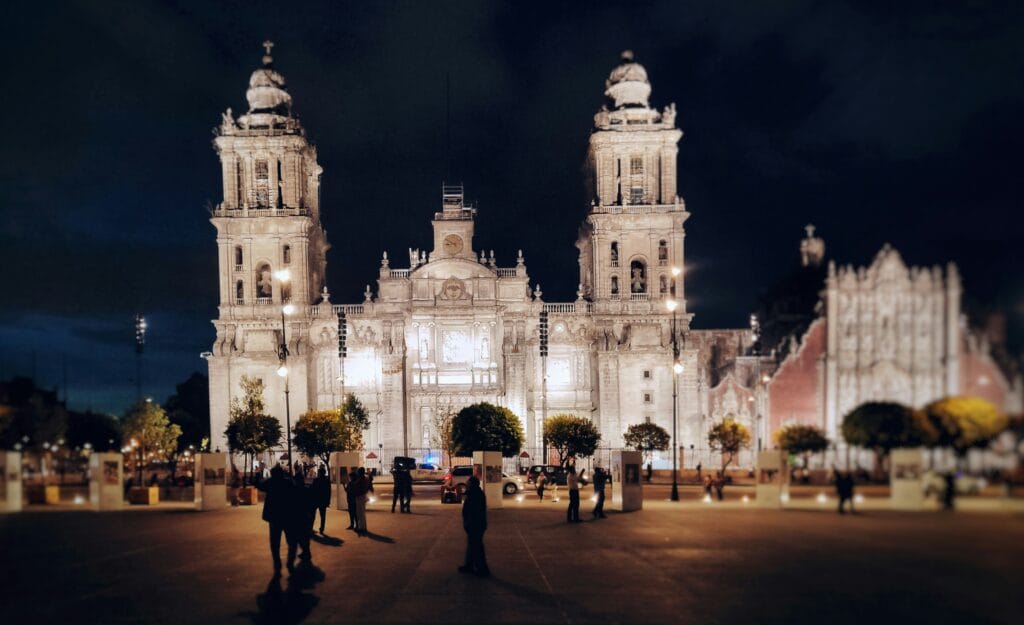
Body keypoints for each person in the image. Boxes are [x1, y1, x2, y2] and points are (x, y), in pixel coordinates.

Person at [255, 465, 292, 574]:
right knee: (291, 541)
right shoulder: (288, 482)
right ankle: (290, 562)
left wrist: (257, 474)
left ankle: (277, 562)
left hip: (274, 516)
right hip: (287, 515)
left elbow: (259, 485)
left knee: (275, 542)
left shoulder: (271, 482)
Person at [459, 476, 490, 577]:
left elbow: (474, 512)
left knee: (477, 547)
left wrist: (468, 523)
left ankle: (482, 569)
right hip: (474, 524)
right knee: (472, 545)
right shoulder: (475, 493)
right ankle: (469, 565)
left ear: (472, 484)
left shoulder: (475, 494)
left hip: (475, 525)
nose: (466, 485)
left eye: (468, 483)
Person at [286, 472, 314, 569]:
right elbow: (311, 504)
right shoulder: (306, 490)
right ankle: (306, 553)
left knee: (295, 541)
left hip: (297, 518)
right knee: (304, 538)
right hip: (304, 517)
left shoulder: (292, 491)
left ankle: (292, 561)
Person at [350, 467, 371, 535]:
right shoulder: (365, 478)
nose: (357, 473)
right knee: (361, 513)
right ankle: (362, 527)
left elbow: (356, 485)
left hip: (360, 496)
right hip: (362, 495)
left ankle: (361, 528)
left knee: (360, 513)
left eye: (358, 472)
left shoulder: (362, 479)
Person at [311, 466, 331, 533]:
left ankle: (311, 527)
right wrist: (328, 501)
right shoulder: (327, 481)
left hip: (315, 500)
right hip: (323, 500)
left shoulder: (316, 480)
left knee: (312, 515)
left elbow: (312, 490)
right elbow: (328, 492)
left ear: (319, 473)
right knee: (323, 516)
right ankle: (322, 529)